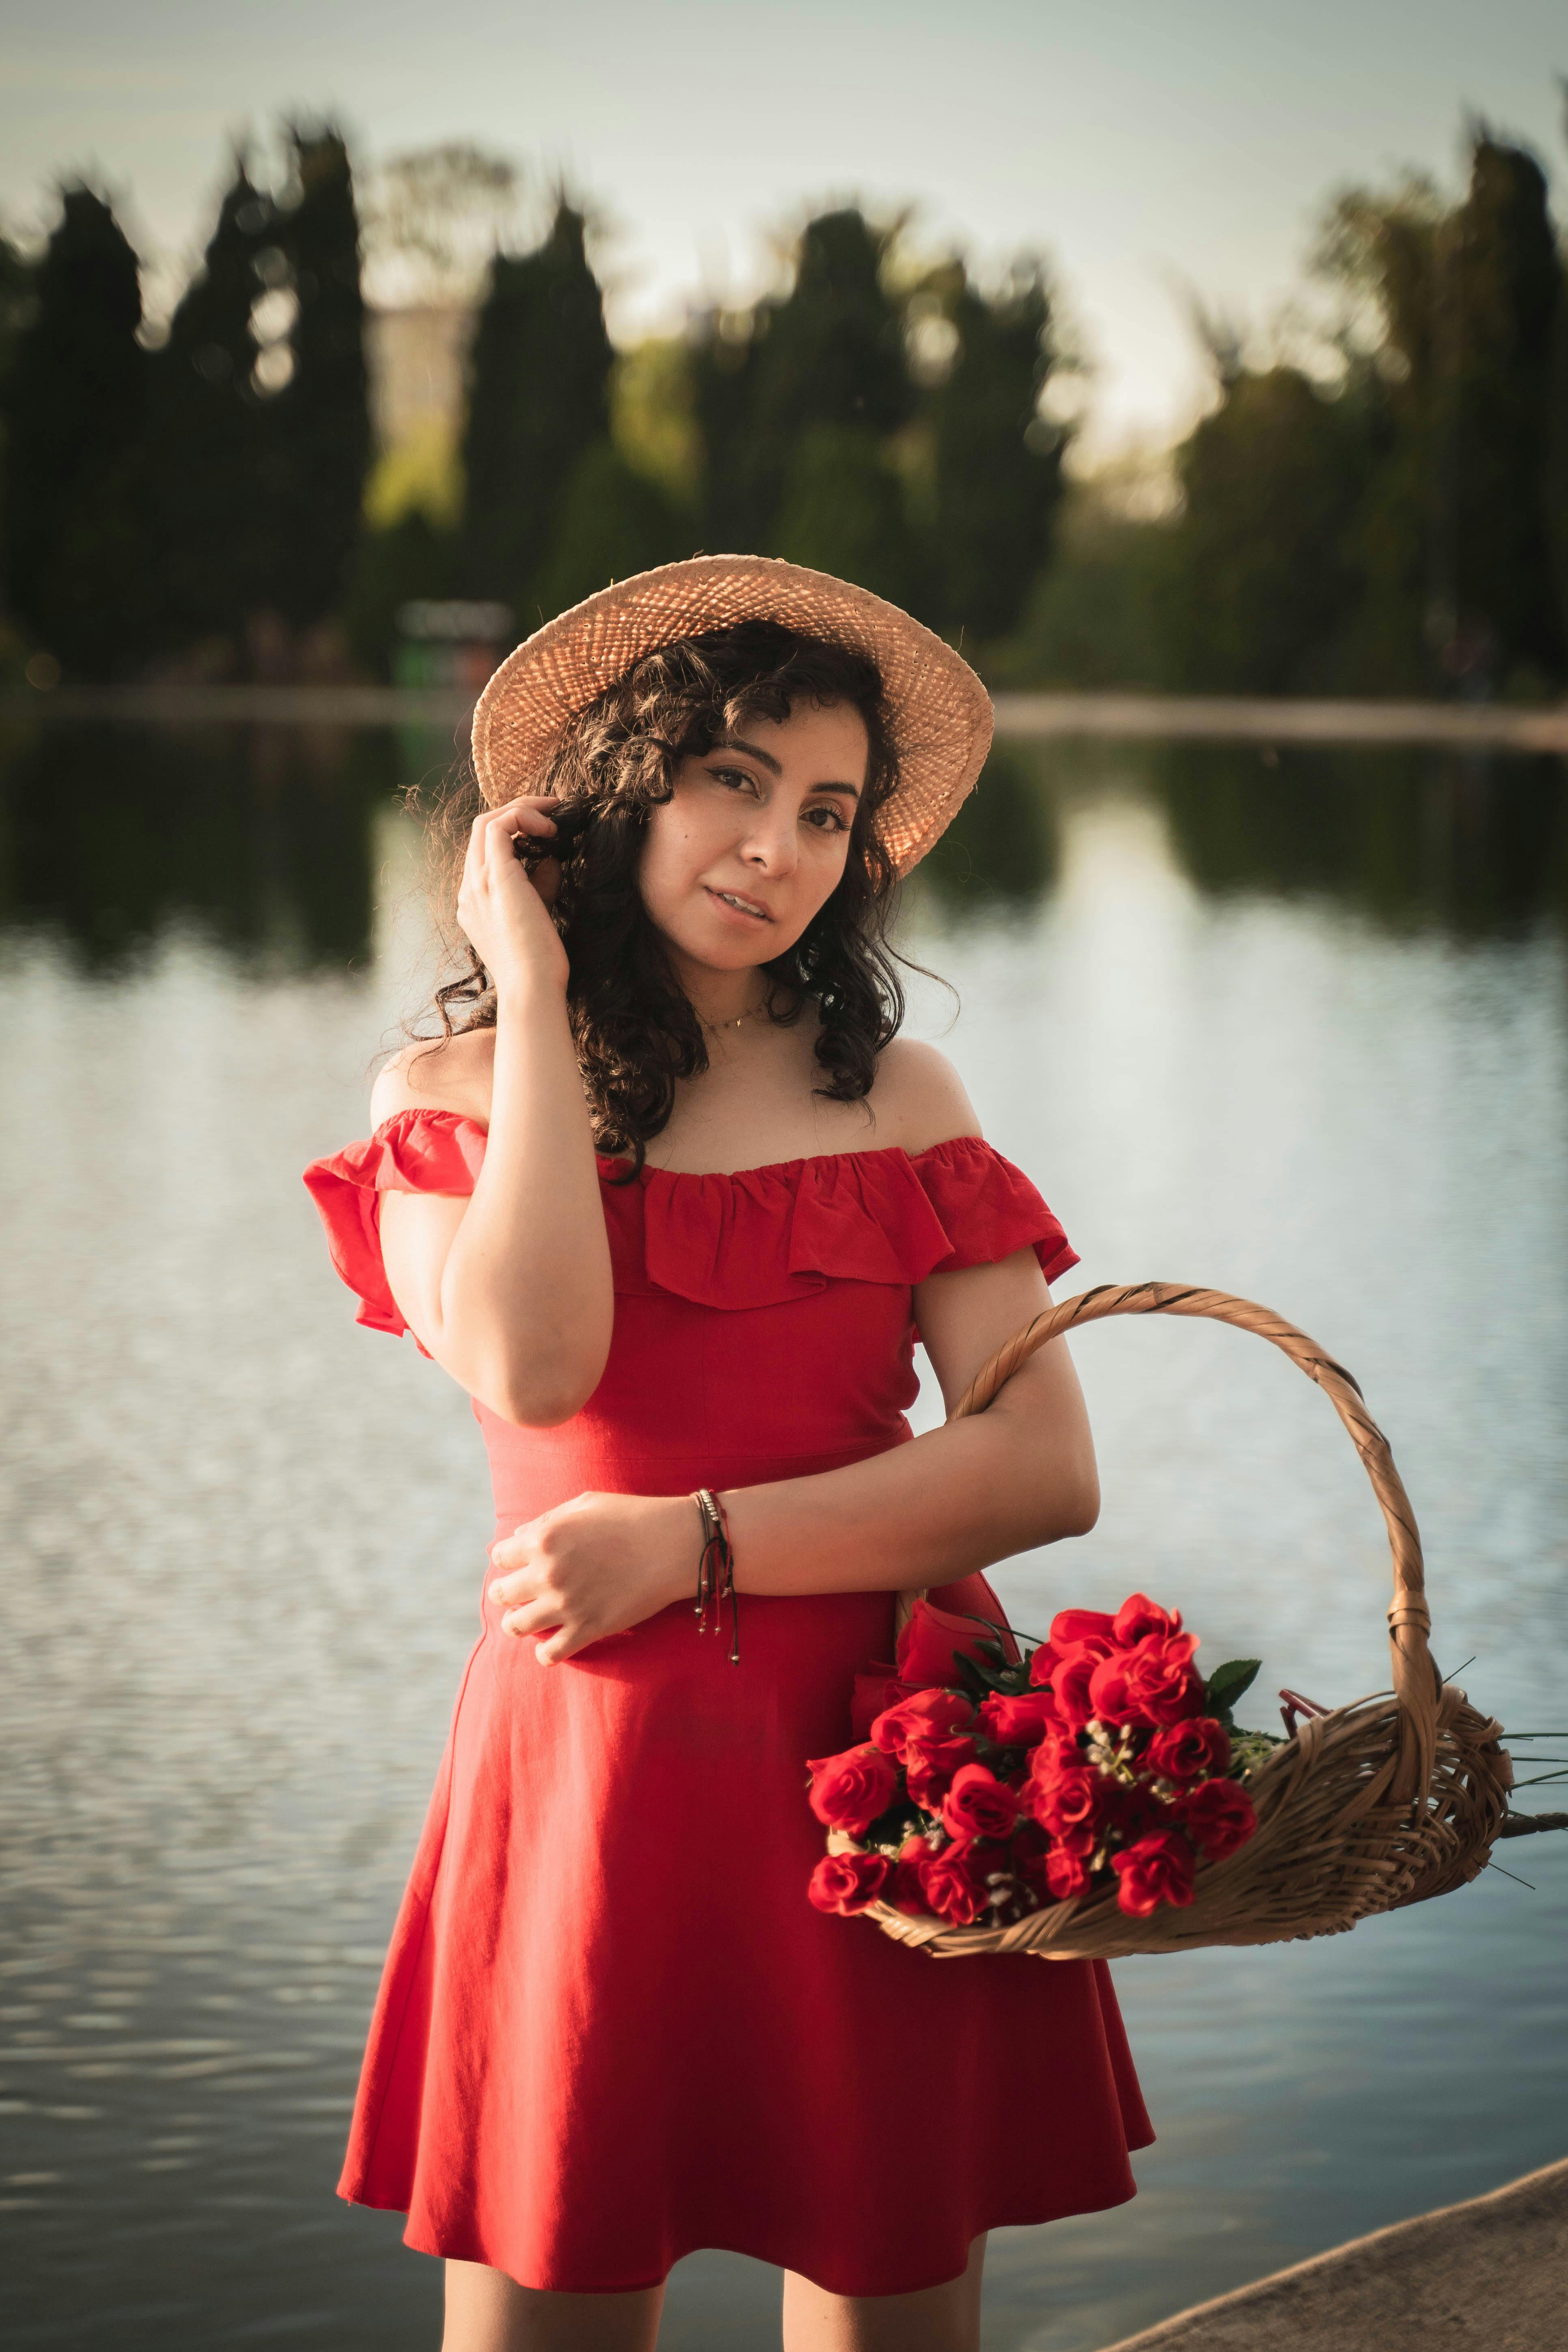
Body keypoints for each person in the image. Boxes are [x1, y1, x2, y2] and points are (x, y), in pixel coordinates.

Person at [304, 558, 1150, 2352]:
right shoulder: (441, 1102)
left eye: (828, 813)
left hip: (894, 1753)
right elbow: (540, 1370)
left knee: (887, 2314)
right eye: (734, 781)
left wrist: (694, 1543)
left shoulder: (897, 1099)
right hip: (590, 1774)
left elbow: (1042, 1468)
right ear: (620, 789)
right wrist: (534, 1003)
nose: (779, 849)